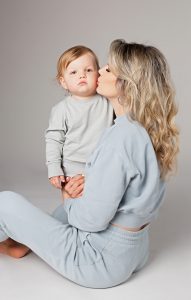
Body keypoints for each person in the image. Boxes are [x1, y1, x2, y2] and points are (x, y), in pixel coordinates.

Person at [0, 39, 179, 288]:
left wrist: (68, 196)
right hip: (135, 251)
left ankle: (13, 236)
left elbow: (91, 221)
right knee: (62, 214)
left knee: (4, 203)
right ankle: (21, 243)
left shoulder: (120, 139)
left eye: (108, 69)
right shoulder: (142, 128)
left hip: (99, 261)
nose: (101, 71)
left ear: (125, 83)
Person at [45, 45, 113, 189]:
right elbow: (53, 140)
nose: (82, 75)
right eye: (74, 72)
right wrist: (54, 168)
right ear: (63, 82)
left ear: (98, 75)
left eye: (88, 70)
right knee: (73, 198)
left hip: (103, 166)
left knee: (101, 200)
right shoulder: (61, 109)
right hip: (72, 169)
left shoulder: (108, 102)